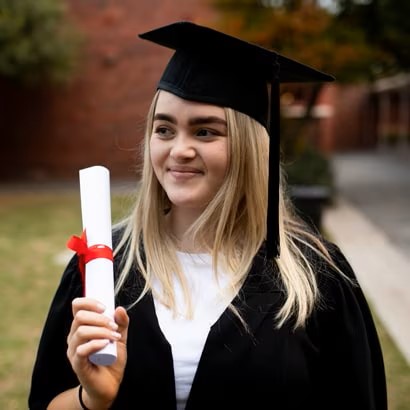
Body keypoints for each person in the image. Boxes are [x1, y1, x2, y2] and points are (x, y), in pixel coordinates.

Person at [29, 21, 387, 410]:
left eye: (205, 132)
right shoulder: (106, 265)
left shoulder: (316, 278)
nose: (179, 149)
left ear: (249, 148)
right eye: (164, 129)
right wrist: (92, 398)